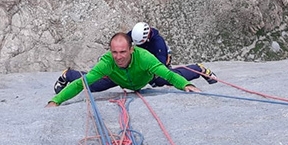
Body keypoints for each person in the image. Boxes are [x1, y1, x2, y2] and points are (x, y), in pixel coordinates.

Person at [48, 32, 201, 107]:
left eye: (122, 52)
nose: (118, 57)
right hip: (117, 78)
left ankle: (198, 69)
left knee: (166, 78)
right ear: (110, 51)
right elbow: (81, 84)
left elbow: (168, 74)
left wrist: (186, 85)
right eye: (114, 52)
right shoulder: (107, 63)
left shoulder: (144, 58)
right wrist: (56, 101)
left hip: (145, 77)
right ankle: (69, 74)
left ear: (131, 50)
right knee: (92, 86)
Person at [129, 21, 217, 87]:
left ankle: (199, 69)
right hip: (146, 59)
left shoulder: (158, 44)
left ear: (147, 37)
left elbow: (161, 66)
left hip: (158, 61)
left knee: (161, 80)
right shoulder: (135, 34)